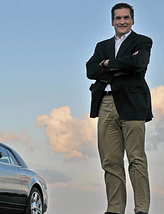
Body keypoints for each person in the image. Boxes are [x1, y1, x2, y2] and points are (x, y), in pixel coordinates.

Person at [86, 3, 152, 214]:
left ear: (132, 20)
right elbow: (90, 69)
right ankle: (115, 209)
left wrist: (108, 64)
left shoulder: (142, 41)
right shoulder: (101, 45)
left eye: (126, 18)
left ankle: (141, 209)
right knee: (110, 161)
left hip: (133, 104)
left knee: (136, 159)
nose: (122, 21)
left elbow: (139, 63)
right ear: (112, 21)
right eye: (118, 18)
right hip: (105, 104)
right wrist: (121, 65)